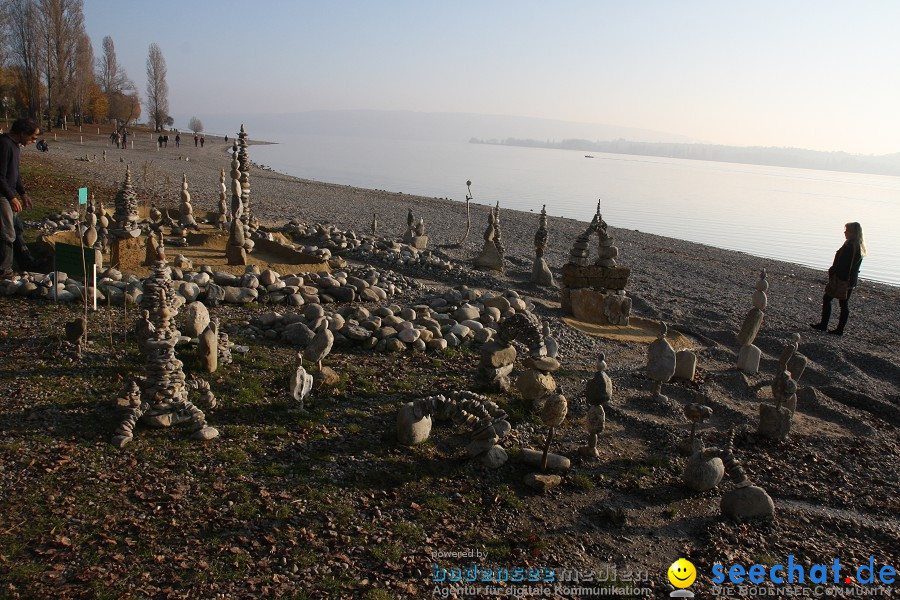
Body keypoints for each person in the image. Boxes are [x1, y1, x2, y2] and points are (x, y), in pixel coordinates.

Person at [0, 117, 40, 278]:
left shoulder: (15, 146)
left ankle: (25, 261)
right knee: (7, 232)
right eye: (33, 137)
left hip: (9, 193)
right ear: (23, 133)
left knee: (17, 228)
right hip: (2, 195)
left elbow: (15, 173)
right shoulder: (3, 145)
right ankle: (4, 270)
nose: (33, 141)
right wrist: (11, 198)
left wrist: (22, 193)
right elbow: (0, 176)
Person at [810, 222, 867, 336]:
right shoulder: (858, 245)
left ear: (853, 232)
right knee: (841, 303)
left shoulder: (850, 246)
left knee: (831, 299)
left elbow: (844, 264)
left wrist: (834, 274)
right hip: (850, 279)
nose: (844, 232)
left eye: (847, 230)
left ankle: (828, 326)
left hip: (843, 279)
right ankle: (833, 327)